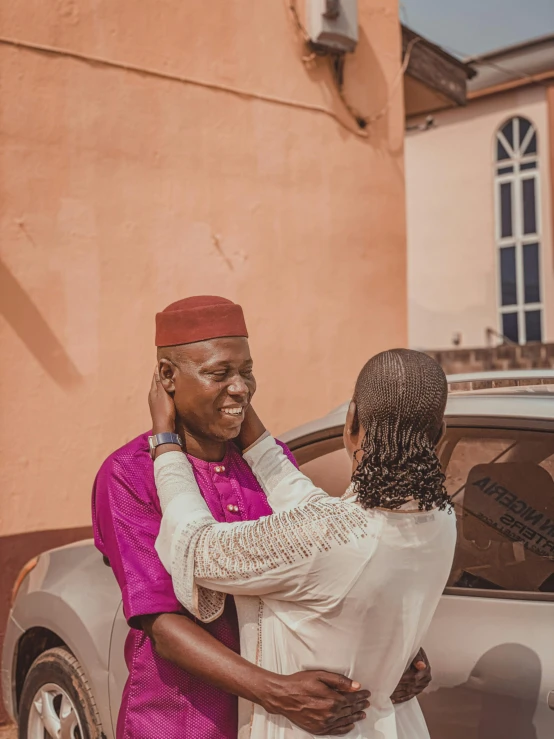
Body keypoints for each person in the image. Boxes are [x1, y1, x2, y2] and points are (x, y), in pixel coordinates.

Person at [92, 296, 432, 739]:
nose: (241, 388)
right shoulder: (129, 474)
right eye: (219, 373)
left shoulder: (264, 466)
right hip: (183, 718)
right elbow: (163, 626)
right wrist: (275, 692)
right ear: (168, 377)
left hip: (282, 723)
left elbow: (338, 568)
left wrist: (394, 651)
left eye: (246, 371)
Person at [151, 348, 457, 739]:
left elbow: (198, 547)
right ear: (440, 433)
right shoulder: (441, 519)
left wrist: (164, 442)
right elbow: (309, 505)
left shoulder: (332, 535)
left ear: (351, 422)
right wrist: (246, 413)